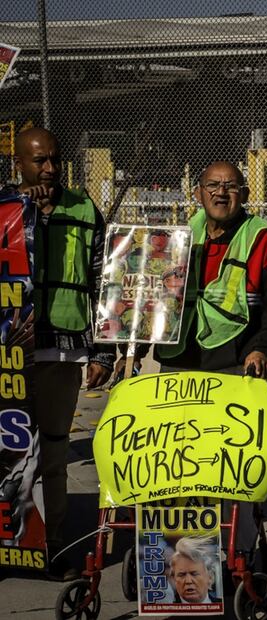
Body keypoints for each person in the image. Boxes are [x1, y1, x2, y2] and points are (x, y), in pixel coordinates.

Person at [153, 160, 267, 552]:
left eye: (230, 186)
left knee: (228, 467)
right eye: (212, 185)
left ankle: (238, 553)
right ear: (197, 193)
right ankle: (174, 551)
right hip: (179, 360)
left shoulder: (262, 238)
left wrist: (262, 348)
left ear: (244, 195)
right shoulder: (178, 236)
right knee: (171, 460)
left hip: (234, 365)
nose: (220, 193)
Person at [1, 127, 113, 580]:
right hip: (7, 357)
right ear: (18, 164)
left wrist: (103, 351)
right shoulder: (3, 211)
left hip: (62, 354)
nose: (48, 169)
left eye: (54, 159)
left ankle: (52, 546)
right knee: (4, 451)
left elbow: (105, 285)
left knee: (53, 454)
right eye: (38, 161)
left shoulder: (85, 210)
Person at [167, 536, 221, 604]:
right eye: (181, 575)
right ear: (174, 579)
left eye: (194, 574)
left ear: (210, 577)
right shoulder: (167, 610)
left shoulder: (225, 606)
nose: (188, 581)